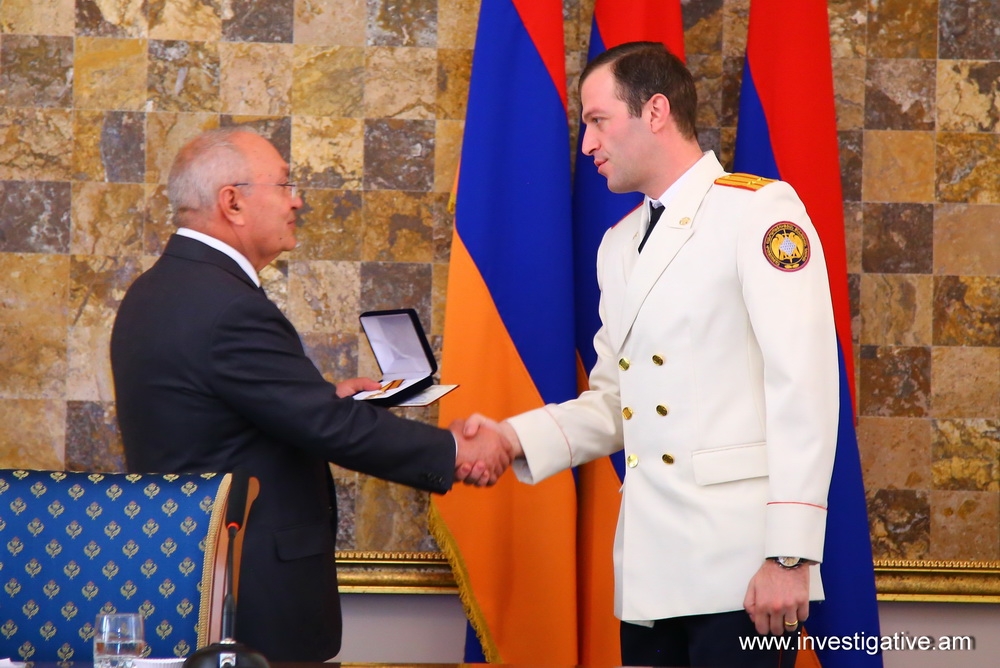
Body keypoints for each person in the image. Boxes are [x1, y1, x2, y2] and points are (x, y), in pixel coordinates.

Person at [464, 42, 839, 667]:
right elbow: (616, 401)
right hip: (652, 571)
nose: (587, 144)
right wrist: (511, 438)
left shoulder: (758, 211)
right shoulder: (618, 245)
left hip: (744, 567)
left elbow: (805, 386)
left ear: (656, 111)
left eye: (598, 120)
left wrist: (789, 555)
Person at [110, 126, 510, 662]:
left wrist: (321, 397)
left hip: (188, 576)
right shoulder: (228, 306)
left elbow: (232, 411)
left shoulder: (156, 289)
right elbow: (325, 426)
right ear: (232, 202)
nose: (297, 200)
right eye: (284, 185)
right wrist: (456, 451)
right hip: (244, 598)